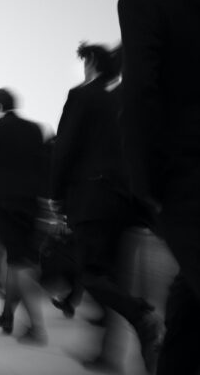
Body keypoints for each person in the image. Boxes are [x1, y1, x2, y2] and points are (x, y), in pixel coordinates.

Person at [119, 0, 200, 372]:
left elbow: (140, 93)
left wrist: (144, 180)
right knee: (189, 313)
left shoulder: (144, 2)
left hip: (189, 183)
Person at [51, 42, 164, 373]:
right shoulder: (124, 100)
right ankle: (111, 354)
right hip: (125, 203)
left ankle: (142, 317)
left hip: (92, 199)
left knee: (92, 275)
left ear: (91, 63)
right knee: (113, 279)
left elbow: (65, 147)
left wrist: (55, 194)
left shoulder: (83, 96)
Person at [0, 88, 48, 344]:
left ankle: (36, 327)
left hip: (4, 204)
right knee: (19, 258)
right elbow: (44, 164)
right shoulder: (34, 129)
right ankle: (7, 314)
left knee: (18, 262)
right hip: (32, 203)